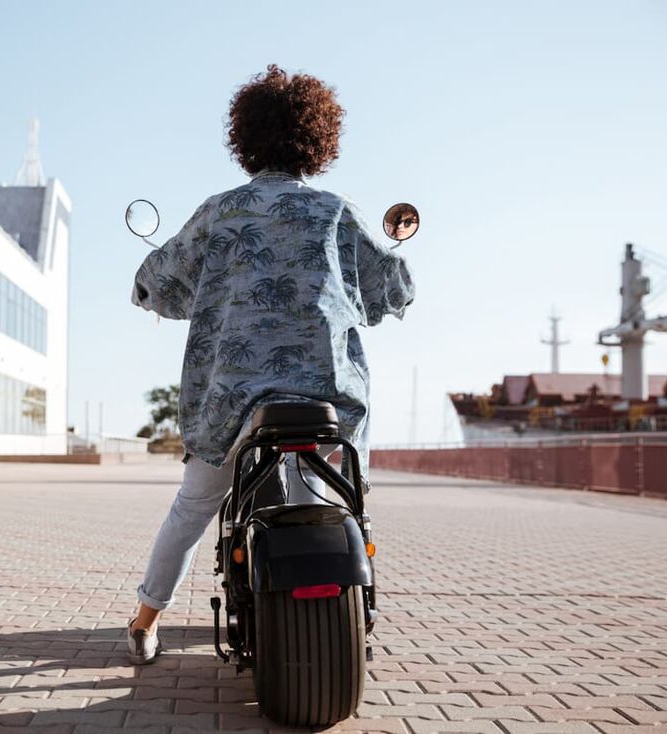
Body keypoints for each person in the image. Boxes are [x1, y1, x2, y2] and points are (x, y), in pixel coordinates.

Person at [125, 64, 415, 664]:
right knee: (348, 492)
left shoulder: (220, 211)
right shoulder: (337, 211)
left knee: (195, 505)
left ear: (246, 138)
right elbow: (395, 284)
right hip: (327, 401)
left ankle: (146, 621)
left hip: (231, 400)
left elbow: (157, 279)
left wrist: (160, 293)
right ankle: (354, 597)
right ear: (318, 139)